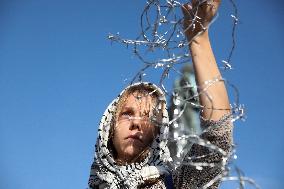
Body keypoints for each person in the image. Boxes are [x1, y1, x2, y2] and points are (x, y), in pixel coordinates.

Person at [88, 0, 233, 188]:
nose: (136, 123)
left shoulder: (176, 183)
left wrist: (199, 38)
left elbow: (218, 134)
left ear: (158, 134)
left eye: (149, 118)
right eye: (127, 113)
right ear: (109, 126)